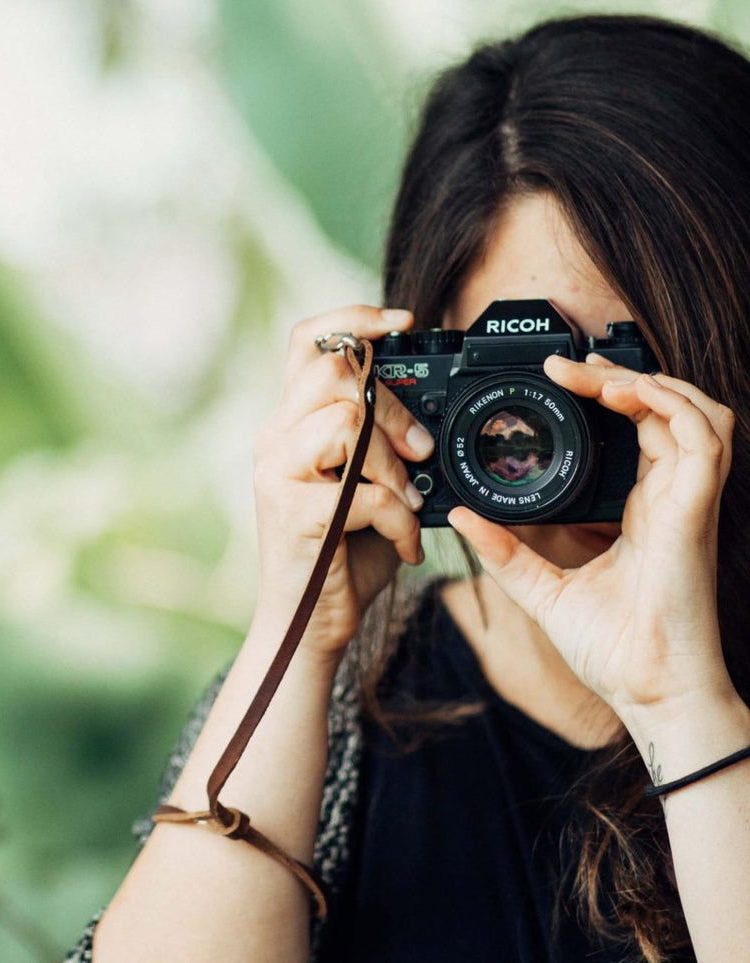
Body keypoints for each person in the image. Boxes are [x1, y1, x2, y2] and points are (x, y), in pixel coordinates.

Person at [64, 13, 750, 962]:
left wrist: (681, 705)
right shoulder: (341, 707)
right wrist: (297, 634)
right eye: (518, 388)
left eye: (623, 376)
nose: (567, 438)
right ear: (418, 380)